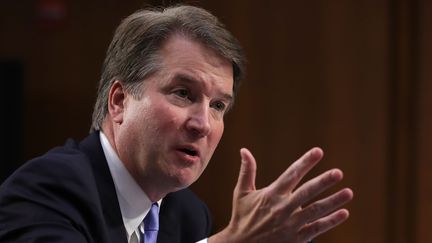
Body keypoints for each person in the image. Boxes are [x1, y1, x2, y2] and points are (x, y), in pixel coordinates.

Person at [0, 4, 353, 243]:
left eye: (218, 105)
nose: (202, 123)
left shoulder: (187, 216)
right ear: (120, 101)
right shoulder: (46, 190)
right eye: (183, 93)